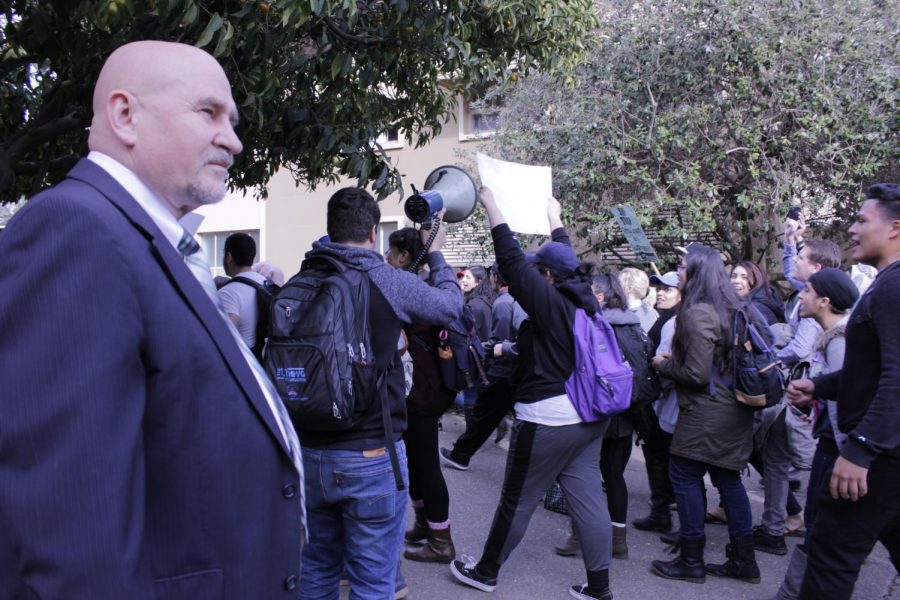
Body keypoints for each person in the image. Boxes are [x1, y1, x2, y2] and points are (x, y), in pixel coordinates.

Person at [0, 41, 305, 598]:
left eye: (232, 121)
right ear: (124, 116)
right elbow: (74, 538)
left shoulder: (140, 240)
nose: (233, 140)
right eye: (209, 112)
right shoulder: (76, 231)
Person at [295, 188, 462, 600]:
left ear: (331, 229)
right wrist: (435, 254)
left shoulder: (304, 276)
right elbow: (450, 307)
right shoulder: (385, 279)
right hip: (370, 452)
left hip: (309, 452)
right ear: (373, 233)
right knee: (372, 582)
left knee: (316, 568)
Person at [451, 189, 614, 600]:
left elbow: (509, 259)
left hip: (549, 418)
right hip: (589, 416)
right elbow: (565, 258)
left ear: (546, 277)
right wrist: (554, 217)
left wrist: (491, 205)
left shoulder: (549, 302)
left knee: (517, 500)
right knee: (590, 500)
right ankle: (599, 589)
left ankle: (486, 572)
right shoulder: (583, 298)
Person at [788, 183, 900, 600]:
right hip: (886, 460)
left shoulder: (893, 287)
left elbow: (896, 378)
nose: (852, 229)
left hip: (877, 463)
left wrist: (860, 451)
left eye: (861, 220)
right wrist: (818, 386)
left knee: (828, 561)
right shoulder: (886, 283)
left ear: (894, 228)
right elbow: (864, 374)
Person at [650, 244, 760, 585]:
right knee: (728, 481)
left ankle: (691, 560)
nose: (679, 272)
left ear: (695, 273)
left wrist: (664, 366)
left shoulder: (698, 313)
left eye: (683, 267)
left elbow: (696, 375)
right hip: (735, 410)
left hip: (706, 414)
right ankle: (744, 560)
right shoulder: (734, 308)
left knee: (683, 476)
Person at [766, 267, 857, 600]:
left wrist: (851, 453)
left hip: (839, 450)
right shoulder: (831, 336)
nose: (800, 296)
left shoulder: (840, 341)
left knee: (824, 527)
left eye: (806, 291)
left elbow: (849, 398)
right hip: (833, 446)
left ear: (824, 300)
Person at [555, 273, 648, 560]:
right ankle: (617, 541)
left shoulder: (596, 325)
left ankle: (580, 537)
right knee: (615, 476)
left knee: (585, 475)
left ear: (600, 295)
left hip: (595, 411)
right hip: (624, 412)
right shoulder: (633, 325)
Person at [383, 227, 458, 564]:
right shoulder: (425, 285)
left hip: (423, 391)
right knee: (416, 460)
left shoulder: (412, 289)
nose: (386, 257)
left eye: (390, 251)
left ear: (404, 256)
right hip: (426, 388)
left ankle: (441, 540)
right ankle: (425, 525)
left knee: (425, 464)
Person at [440, 263, 527, 471]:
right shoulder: (512, 299)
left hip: (503, 370)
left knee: (482, 414)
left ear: (495, 277)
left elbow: (500, 339)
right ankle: (461, 454)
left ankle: (461, 455)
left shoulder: (503, 302)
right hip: (516, 370)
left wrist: (488, 348)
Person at [632, 271, 681, 534]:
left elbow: (669, 364)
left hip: (666, 401)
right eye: (659, 287)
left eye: (668, 289)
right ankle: (661, 511)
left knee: (664, 458)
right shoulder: (665, 318)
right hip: (659, 400)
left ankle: (666, 515)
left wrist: (656, 389)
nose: (660, 292)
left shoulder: (675, 322)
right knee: (658, 457)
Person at [218, 232, 273, 349]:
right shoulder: (267, 284)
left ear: (228, 257)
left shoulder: (227, 293)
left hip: (245, 363)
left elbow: (225, 340)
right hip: (268, 362)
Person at [730, 260, 785, 325]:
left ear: (756, 281)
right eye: (734, 276)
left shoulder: (756, 310)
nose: (736, 281)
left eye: (744, 277)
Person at [619, 267, 658, 333]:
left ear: (629, 288)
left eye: (619, 284)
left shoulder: (648, 315)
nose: (616, 287)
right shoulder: (650, 313)